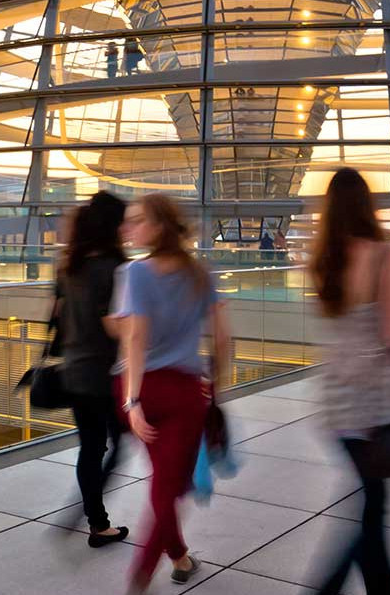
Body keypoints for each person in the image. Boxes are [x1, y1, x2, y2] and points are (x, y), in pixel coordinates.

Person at [308, 169, 390, 595]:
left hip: (336, 401)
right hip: (376, 402)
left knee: (372, 505)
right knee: (372, 512)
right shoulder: (382, 255)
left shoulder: (322, 262)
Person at [114, 194, 232, 594]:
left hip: (141, 388)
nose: (129, 228)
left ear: (161, 226)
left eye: (137, 221)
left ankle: (173, 558)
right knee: (166, 487)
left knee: (162, 484)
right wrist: (215, 381)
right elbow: (223, 337)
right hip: (184, 392)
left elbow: (135, 337)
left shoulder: (136, 273)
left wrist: (132, 401)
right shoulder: (200, 273)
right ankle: (145, 574)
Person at [56, 192, 130, 548]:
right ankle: (92, 514)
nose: (129, 229)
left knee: (91, 447)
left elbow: (57, 313)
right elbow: (113, 324)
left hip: (75, 370)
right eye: (125, 222)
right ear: (112, 226)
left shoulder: (70, 264)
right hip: (105, 375)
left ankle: (95, 521)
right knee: (119, 444)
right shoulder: (114, 268)